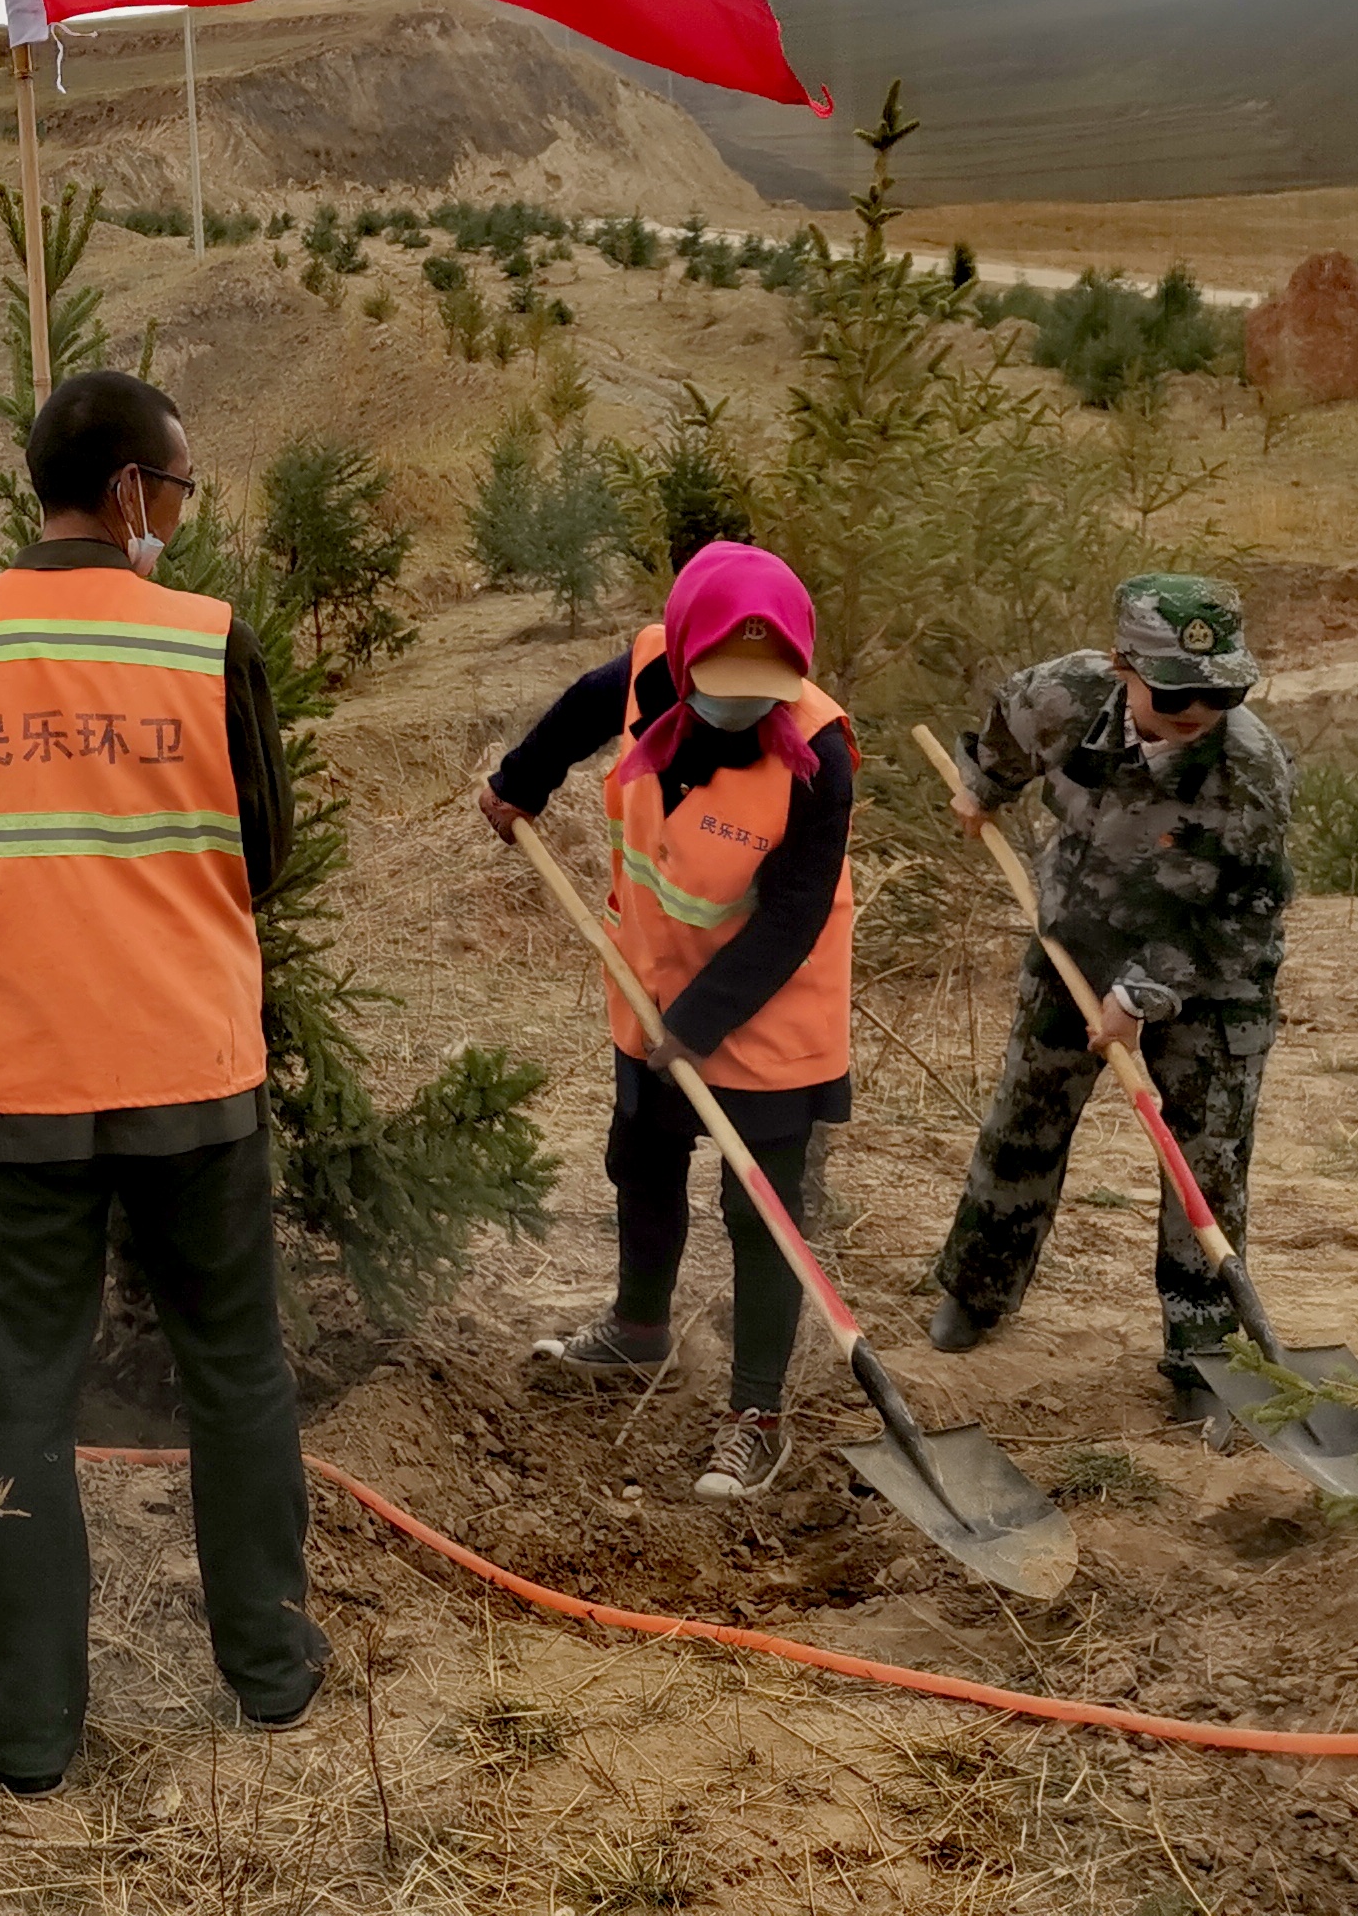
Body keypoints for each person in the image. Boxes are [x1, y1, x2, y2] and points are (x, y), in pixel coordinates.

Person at [0, 366, 320, 1799]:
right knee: (235, 1369)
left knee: (24, 1397)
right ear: (128, 493)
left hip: (23, 1082)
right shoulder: (207, 643)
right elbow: (271, 850)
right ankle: (274, 1672)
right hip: (195, 1071)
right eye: (175, 490)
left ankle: (35, 1729)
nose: (177, 514)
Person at [477, 541, 856, 1506]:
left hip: (770, 1005)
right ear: (685, 658)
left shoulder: (820, 757)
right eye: (719, 685)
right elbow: (576, 711)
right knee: (642, 1152)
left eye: (761, 689)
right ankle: (638, 1332)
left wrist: (699, 1022)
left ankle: (756, 1415)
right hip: (649, 981)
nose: (740, 706)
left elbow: (793, 916)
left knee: (758, 1211)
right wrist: (520, 781)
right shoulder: (650, 669)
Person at [926, 574, 1296, 1418]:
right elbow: (1008, 725)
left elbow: (1239, 914)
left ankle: (1203, 1348)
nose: (1199, 707)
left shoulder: (1250, 770)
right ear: (1121, 665)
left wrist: (1142, 997)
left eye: (1220, 690)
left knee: (1206, 1158)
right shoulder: (1070, 693)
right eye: (1174, 690)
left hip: (1214, 973)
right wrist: (983, 787)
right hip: (1077, 938)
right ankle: (978, 1291)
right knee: (1025, 1115)